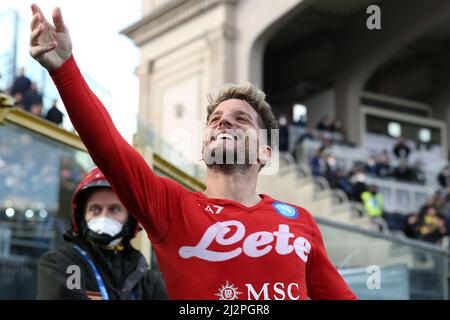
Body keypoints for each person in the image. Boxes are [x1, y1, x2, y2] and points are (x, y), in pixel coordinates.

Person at [29, 4, 357, 300]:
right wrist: (64, 70)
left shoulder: (301, 221)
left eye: (241, 119)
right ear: (203, 148)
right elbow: (108, 147)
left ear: (265, 152)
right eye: (215, 120)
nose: (223, 122)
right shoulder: (172, 207)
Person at [37, 167, 168, 300]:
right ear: (82, 216)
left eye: (114, 209)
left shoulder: (148, 281)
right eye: (95, 209)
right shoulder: (62, 264)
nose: (104, 217)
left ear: (130, 219)